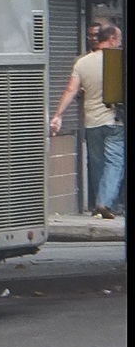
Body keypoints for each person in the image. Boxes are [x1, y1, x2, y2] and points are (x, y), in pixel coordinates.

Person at [50, 24, 124, 219]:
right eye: (119, 39)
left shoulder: (82, 63)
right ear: (112, 40)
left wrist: (58, 115)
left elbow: (70, 90)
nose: (120, 43)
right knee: (115, 163)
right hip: (114, 121)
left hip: (91, 121)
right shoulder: (118, 61)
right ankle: (104, 203)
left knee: (98, 165)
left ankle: (106, 205)